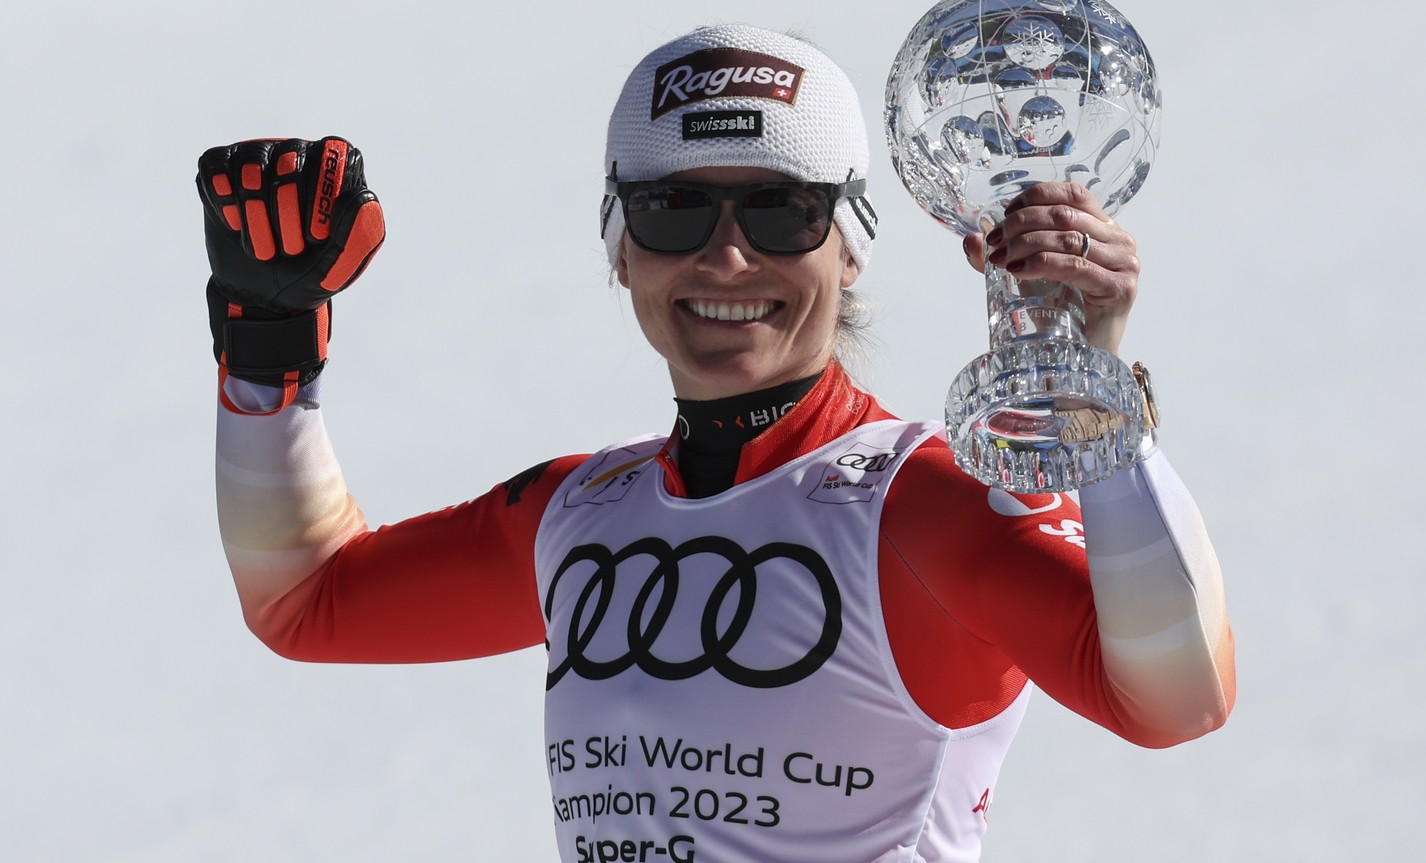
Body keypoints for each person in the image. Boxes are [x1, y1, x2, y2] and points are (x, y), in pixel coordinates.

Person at [199, 23, 1234, 863]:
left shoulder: (917, 506)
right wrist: (268, 347)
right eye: (673, 207)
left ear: (852, 242)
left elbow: (1178, 698)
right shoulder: (580, 511)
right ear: (620, 247)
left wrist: (1093, 399)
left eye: (782, 211)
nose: (727, 255)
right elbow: (308, 597)